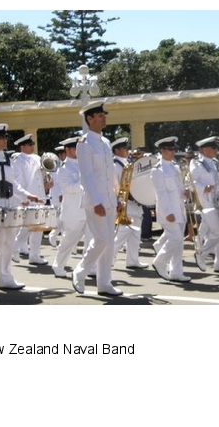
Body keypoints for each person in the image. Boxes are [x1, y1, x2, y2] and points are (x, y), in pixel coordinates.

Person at [0, 123, 42, 290]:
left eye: (5, 137)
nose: (4, 140)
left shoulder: (8, 159)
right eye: (1, 137)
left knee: (9, 242)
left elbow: (13, 184)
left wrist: (27, 195)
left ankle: (6, 277)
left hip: (9, 205)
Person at [73, 100, 123, 297]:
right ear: (90, 118)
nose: (104, 118)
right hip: (96, 201)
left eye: (104, 115)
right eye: (100, 115)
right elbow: (86, 176)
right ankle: (80, 271)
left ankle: (104, 283)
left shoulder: (105, 142)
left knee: (109, 243)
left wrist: (117, 196)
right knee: (101, 240)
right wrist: (96, 202)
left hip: (109, 199)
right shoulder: (84, 143)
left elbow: (110, 174)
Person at [150, 136, 191, 283]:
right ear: (162, 151)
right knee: (176, 238)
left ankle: (176, 272)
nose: (173, 152)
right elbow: (161, 194)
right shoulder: (157, 170)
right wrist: (168, 212)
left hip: (179, 209)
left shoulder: (174, 167)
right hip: (168, 211)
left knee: (179, 243)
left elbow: (178, 189)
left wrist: (185, 194)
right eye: (169, 149)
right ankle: (160, 261)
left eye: (174, 149)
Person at [189, 136, 219, 272]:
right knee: (218, 232)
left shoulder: (215, 163)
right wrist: (203, 187)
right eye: (213, 148)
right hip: (206, 203)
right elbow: (191, 182)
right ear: (204, 149)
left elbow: (218, 183)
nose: (216, 150)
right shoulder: (197, 163)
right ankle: (201, 254)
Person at [10, 134, 50, 267]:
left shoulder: (37, 158)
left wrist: (47, 183)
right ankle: (14, 248)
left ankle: (34, 255)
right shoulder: (17, 160)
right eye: (29, 145)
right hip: (29, 197)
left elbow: (42, 175)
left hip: (40, 196)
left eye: (32, 144)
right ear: (22, 147)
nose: (32, 146)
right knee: (27, 227)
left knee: (38, 228)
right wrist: (23, 198)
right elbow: (17, 181)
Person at [52, 137, 85, 278]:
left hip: (87, 209)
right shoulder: (63, 168)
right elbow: (68, 188)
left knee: (92, 240)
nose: (78, 151)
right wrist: (84, 182)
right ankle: (58, 265)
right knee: (69, 240)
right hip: (73, 211)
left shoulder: (84, 164)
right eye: (75, 148)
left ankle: (90, 267)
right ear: (67, 150)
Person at [111, 137, 143, 270]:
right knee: (122, 234)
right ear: (117, 150)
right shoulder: (115, 165)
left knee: (135, 234)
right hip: (125, 204)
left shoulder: (127, 163)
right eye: (124, 148)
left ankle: (132, 260)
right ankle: (109, 258)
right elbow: (114, 186)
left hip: (135, 203)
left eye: (127, 148)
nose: (127, 150)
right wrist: (118, 203)